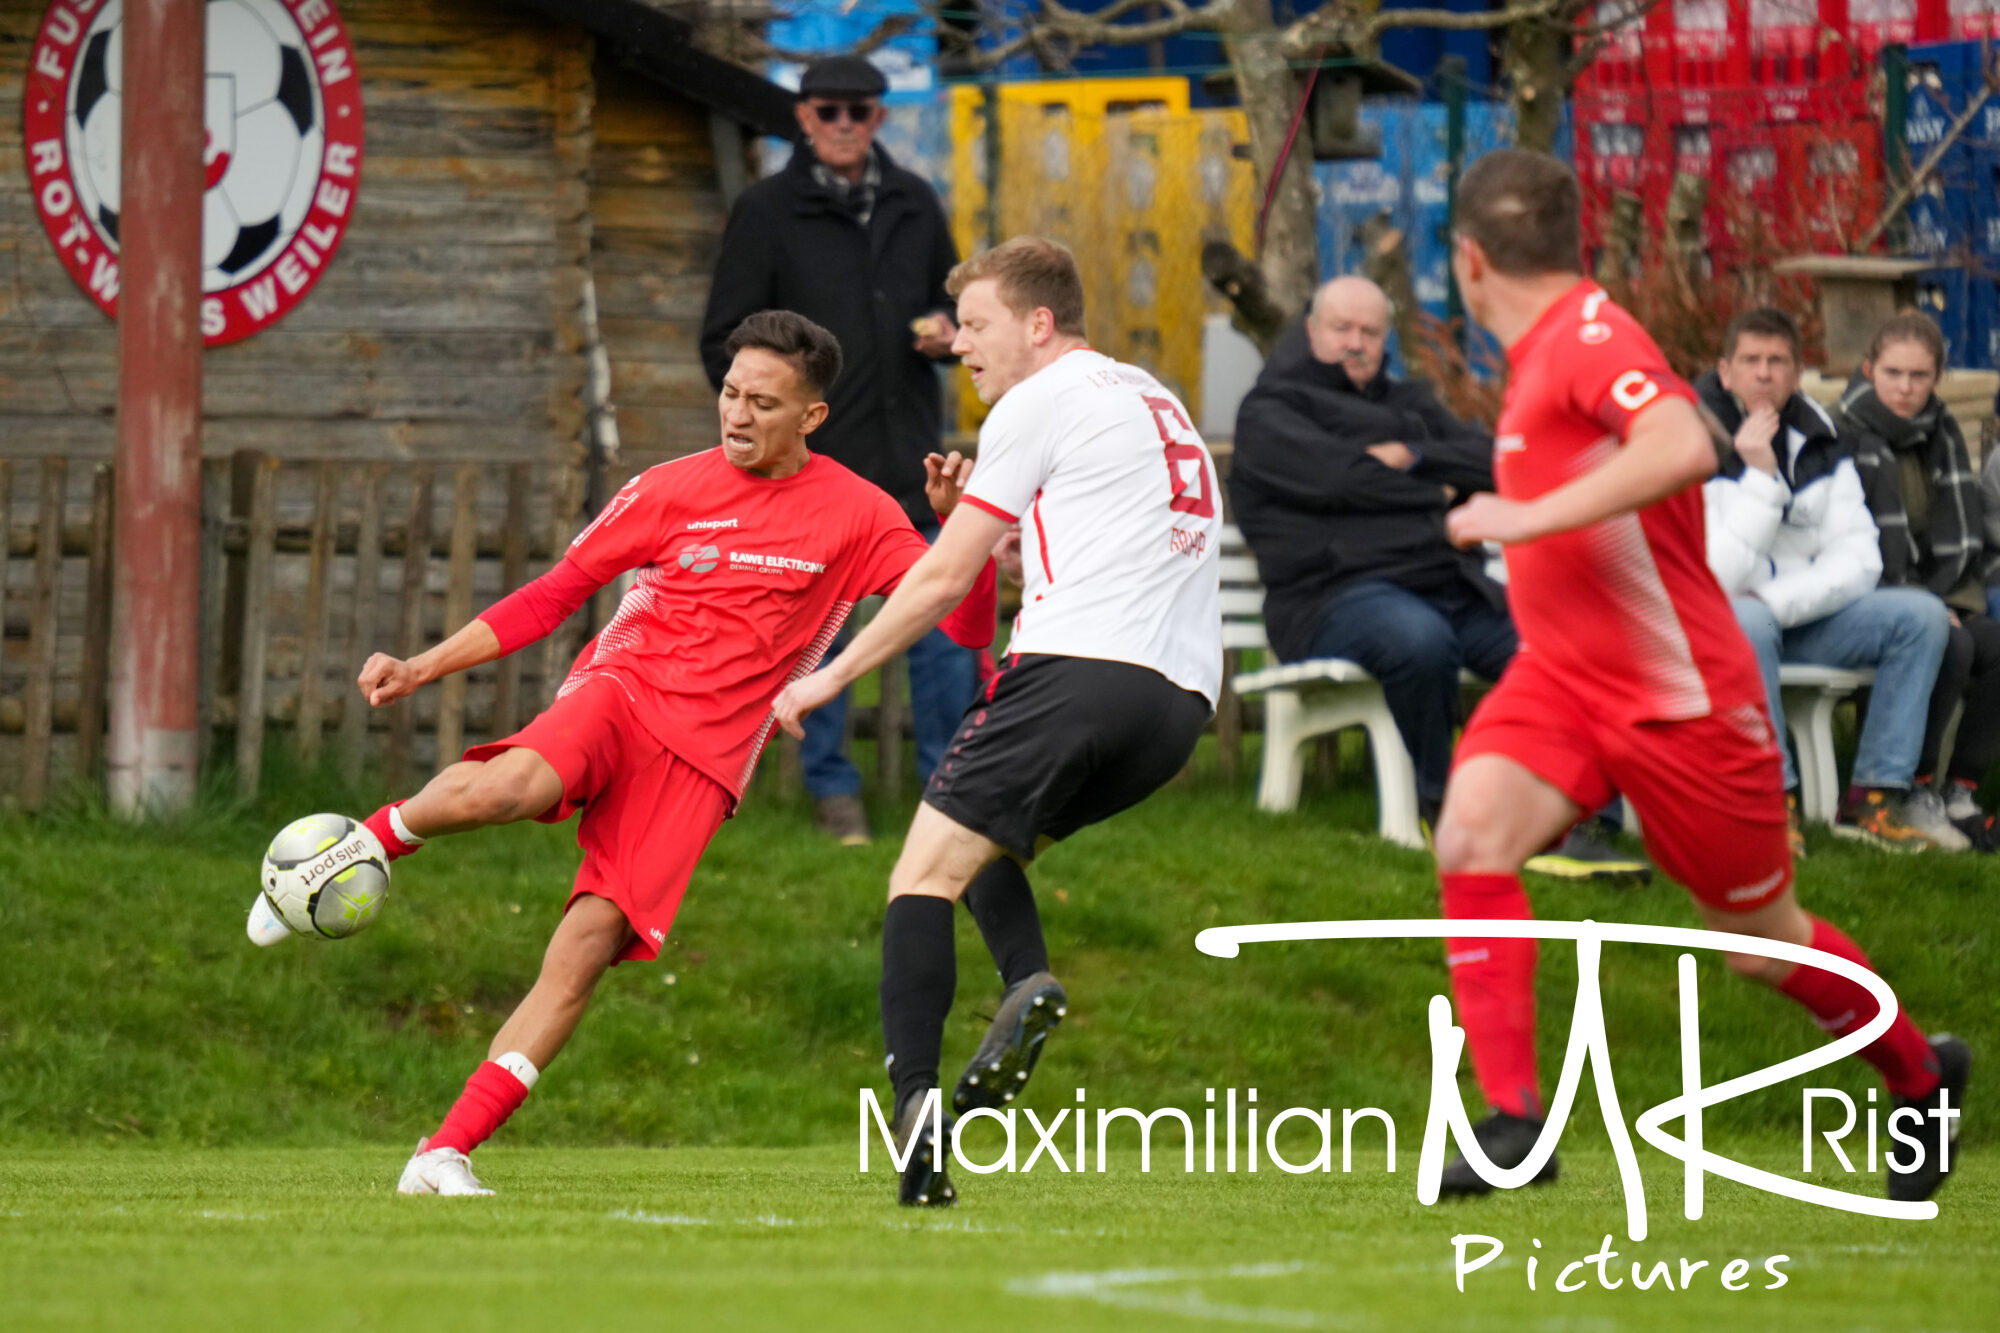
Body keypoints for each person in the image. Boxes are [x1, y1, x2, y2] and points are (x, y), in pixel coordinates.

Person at [249, 311, 996, 1196]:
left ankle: (442, 1153)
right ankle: (351, 851)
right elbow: (554, 595)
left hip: (705, 764)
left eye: (764, 402)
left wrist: (965, 543)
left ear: (813, 418)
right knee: (511, 787)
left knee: (586, 948)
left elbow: (958, 623)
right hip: (622, 692)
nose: (738, 415)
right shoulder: (668, 488)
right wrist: (423, 664)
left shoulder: (860, 514)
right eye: (729, 393)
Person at [1430, 148, 1967, 1203]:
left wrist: (1518, 516)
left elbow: (1682, 440)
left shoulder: (1587, 335)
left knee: (1759, 946)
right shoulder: (1543, 349)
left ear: (1467, 258)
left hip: (1681, 701)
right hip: (1567, 681)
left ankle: (1918, 1076)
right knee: (1468, 839)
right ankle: (1513, 1123)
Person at [772, 236, 1222, 1207]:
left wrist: (827, 675)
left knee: (918, 876)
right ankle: (1027, 981)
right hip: (1176, 708)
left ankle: (917, 1120)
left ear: (1037, 323)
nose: (958, 346)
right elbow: (1017, 577)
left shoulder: (1036, 400)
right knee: (978, 854)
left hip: (1077, 672)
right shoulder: (1151, 400)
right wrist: (975, 538)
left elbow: (937, 582)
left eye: (973, 326)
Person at [1230, 274, 1644, 878]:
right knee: (1421, 641)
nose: (1356, 342)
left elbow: (1498, 463)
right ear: (1312, 330)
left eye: (1370, 332)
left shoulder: (1412, 403)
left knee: (1562, 639)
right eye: (1341, 328)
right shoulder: (1271, 411)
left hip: (1448, 584)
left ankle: (1575, 820)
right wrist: (1436, 491)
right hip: (1333, 599)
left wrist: (1417, 456)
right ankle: (1444, 810)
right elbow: (1338, 480)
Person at [699, 54, 973, 846]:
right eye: (829, 111)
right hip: (815, 472)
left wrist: (948, 335)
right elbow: (722, 339)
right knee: (818, 639)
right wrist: (766, 422)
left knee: (942, 631)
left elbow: (950, 308)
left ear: (881, 118)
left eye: (861, 111)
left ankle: (949, 793)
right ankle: (833, 794)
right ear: (804, 118)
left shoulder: (916, 204)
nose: (846, 124)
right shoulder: (766, 210)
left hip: (913, 467)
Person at [1699, 308, 1958, 853]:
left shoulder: (1821, 438)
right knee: (1743, 617)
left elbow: (1860, 559)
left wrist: (1775, 603)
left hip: (1794, 617)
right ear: (1725, 372)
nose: (1764, 374)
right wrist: (1762, 480)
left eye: (1777, 362)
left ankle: (1873, 797)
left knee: (1921, 615)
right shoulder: (1689, 440)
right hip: (1718, 626)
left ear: (1796, 374)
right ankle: (1773, 801)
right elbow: (1714, 577)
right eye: (1751, 361)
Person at [1841, 312, 2000, 852]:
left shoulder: (1944, 433)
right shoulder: (1844, 432)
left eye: (1919, 377)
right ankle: (1911, 788)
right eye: (1893, 374)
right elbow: (1854, 542)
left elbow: (1960, 533)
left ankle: (1960, 791)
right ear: (1868, 369)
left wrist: (1946, 599)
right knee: (1950, 642)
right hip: (1874, 592)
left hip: (1939, 588)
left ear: (1937, 379)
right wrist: (1925, 604)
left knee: (1995, 644)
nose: (1905, 389)